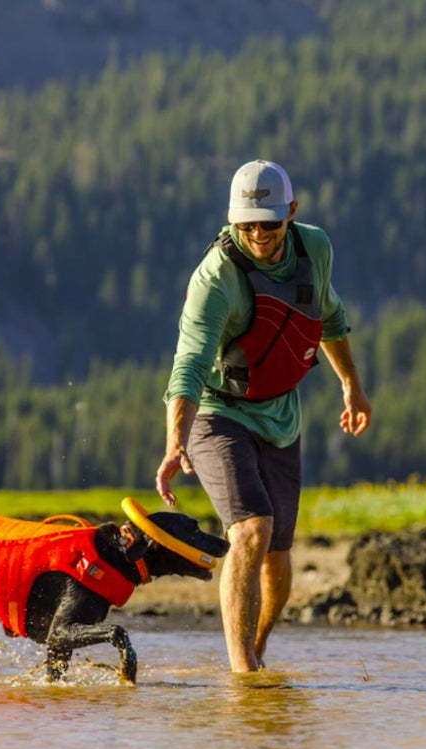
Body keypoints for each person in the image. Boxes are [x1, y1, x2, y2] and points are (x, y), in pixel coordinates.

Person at [156, 159, 371, 672]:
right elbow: (186, 366)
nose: (257, 234)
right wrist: (175, 442)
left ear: (291, 214)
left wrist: (352, 387)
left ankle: (257, 650)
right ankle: (242, 674)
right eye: (246, 224)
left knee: (276, 561)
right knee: (251, 531)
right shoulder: (216, 278)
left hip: (280, 415)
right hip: (216, 412)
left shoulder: (314, 248)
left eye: (269, 224)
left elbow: (331, 319)